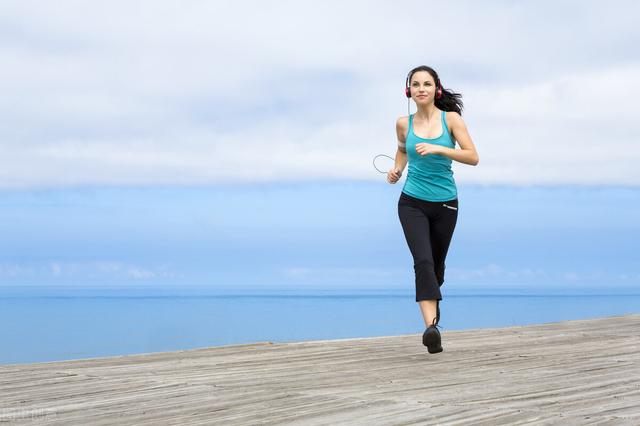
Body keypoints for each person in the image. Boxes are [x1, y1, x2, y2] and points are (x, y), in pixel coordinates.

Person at [387, 65, 479, 354]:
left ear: (436, 89)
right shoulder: (404, 123)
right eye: (415, 84)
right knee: (423, 262)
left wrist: (439, 148)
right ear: (409, 91)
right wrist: (397, 170)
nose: (421, 88)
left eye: (427, 83)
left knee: (436, 268)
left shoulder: (451, 119)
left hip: (446, 204)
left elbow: (472, 157)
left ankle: (433, 312)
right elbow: (403, 149)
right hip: (411, 202)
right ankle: (431, 329)